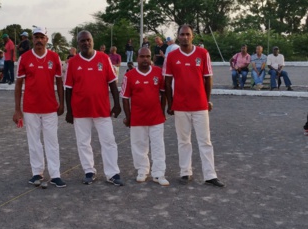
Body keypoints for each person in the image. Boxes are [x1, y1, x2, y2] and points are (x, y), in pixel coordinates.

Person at [164, 24, 225, 188]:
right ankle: (185, 171)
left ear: (192, 36)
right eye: (182, 34)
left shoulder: (202, 54)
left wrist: (206, 100)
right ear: (178, 37)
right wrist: (170, 104)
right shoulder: (171, 56)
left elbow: (208, 78)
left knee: (205, 140)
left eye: (187, 34)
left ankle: (210, 175)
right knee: (183, 140)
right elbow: (167, 82)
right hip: (180, 105)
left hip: (199, 105)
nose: (184, 37)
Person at [65, 30, 124, 186]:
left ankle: (112, 173)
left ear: (93, 41)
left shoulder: (104, 58)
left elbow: (112, 83)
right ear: (78, 43)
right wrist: (69, 111)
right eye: (82, 41)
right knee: (83, 142)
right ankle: (89, 171)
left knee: (109, 141)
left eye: (88, 40)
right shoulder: (73, 62)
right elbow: (68, 89)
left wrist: (117, 104)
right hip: (80, 110)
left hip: (102, 109)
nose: (86, 43)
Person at [13, 26, 66, 188]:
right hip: (30, 108)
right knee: (34, 141)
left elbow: (59, 81)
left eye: (42, 37)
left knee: (52, 141)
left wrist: (62, 103)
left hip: (50, 107)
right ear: (32, 39)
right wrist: (17, 109)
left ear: (46, 40)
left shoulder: (54, 57)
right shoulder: (25, 58)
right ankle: (37, 172)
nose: (39, 40)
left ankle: (55, 174)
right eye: (36, 37)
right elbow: (19, 83)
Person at [121, 47, 169, 186]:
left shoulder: (158, 72)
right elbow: (125, 98)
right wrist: (128, 117)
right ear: (137, 58)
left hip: (156, 117)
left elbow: (163, 93)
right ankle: (142, 170)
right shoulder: (130, 75)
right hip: (137, 118)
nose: (145, 59)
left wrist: (162, 111)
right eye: (142, 56)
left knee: (158, 145)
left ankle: (159, 173)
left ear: (151, 58)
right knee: (138, 145)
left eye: (148, 56)